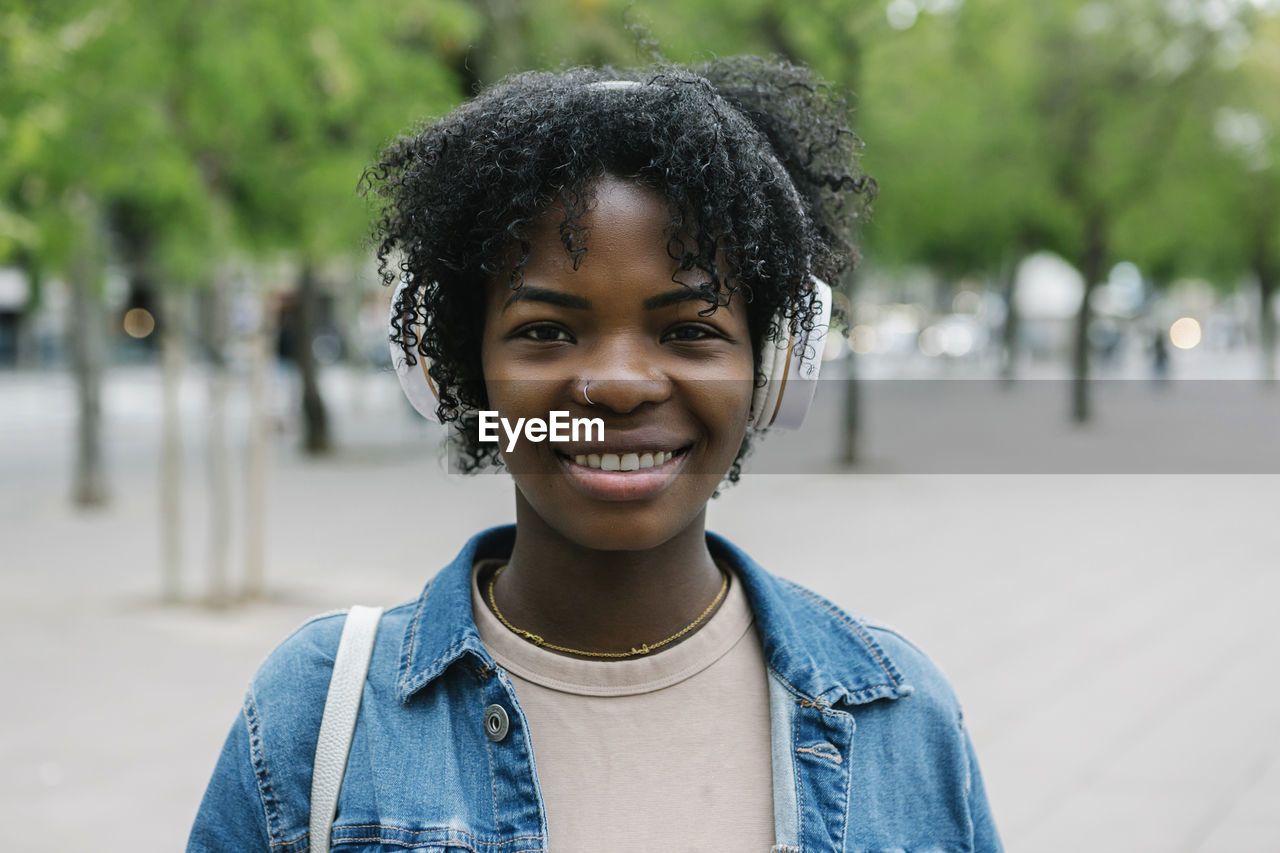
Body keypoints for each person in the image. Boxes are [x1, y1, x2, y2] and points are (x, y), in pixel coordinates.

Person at [188, 57, 1002, 852]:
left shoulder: (900, 719)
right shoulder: (318, 714)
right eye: (546, 331)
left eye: (689, 330)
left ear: (778, 365)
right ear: (456, 370)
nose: (618, 384)